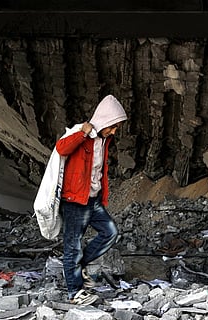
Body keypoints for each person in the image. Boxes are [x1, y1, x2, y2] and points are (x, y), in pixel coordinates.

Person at [55, 94, 127, 305]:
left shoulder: (104, 140)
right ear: (104, 120)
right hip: (75, 200)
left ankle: (77, 268)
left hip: (92, 199)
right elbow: (61, 148)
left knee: (110, 232)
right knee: (73, 245)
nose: (114, 131)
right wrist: (82, 134)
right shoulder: (81, 133)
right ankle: (74, 292)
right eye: (113, 126)